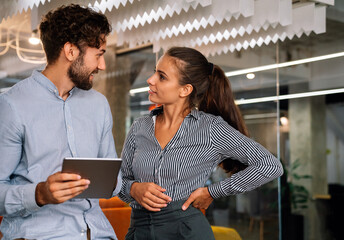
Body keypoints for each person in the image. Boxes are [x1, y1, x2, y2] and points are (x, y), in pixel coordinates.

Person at [0, 4, 121, 240]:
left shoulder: (98, 105)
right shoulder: (9, 107)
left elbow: (113, 182)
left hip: (98, 234)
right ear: (70, 51)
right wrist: (39, 194)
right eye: (98, 55)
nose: (102, 66)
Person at [118, 47, 283, 239]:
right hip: (140, 231)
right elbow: (119, 181)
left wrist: (213, 192)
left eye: (162, 76)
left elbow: (270, 166)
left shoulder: (211, 129)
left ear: (185, 90)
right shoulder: (139, 127)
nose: (151, 79)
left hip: (187, 231)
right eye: (155, 71)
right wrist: (133, 189)